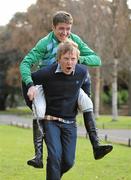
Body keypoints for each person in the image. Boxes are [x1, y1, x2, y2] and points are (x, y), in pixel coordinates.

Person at [20, 11, 102, 168]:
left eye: (68, 28)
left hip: (69, 84)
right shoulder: (44, 43)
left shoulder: (75, 39)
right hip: (48, 84)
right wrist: (30, 84)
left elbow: (96, 60)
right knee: (40, 109)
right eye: (61, 29)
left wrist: (78, 58)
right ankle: (38, 155)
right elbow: (25, 63)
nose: (65, 33)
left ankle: (96, 145)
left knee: (87, 103)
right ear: (53, 27)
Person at [31, 40, 113, 180]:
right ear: (58, 59)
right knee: (55, 157)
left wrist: (86, 95)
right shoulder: (46, 73)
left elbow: (86, 81)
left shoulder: (81, 71)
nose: (70, 62)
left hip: (70, 123)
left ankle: (96, 145)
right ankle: (38, 155)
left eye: (73, 59)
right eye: (66, 59)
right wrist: (30, 98)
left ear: (77, 59)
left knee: (68, 162)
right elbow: (27, 80)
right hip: (51, 122)